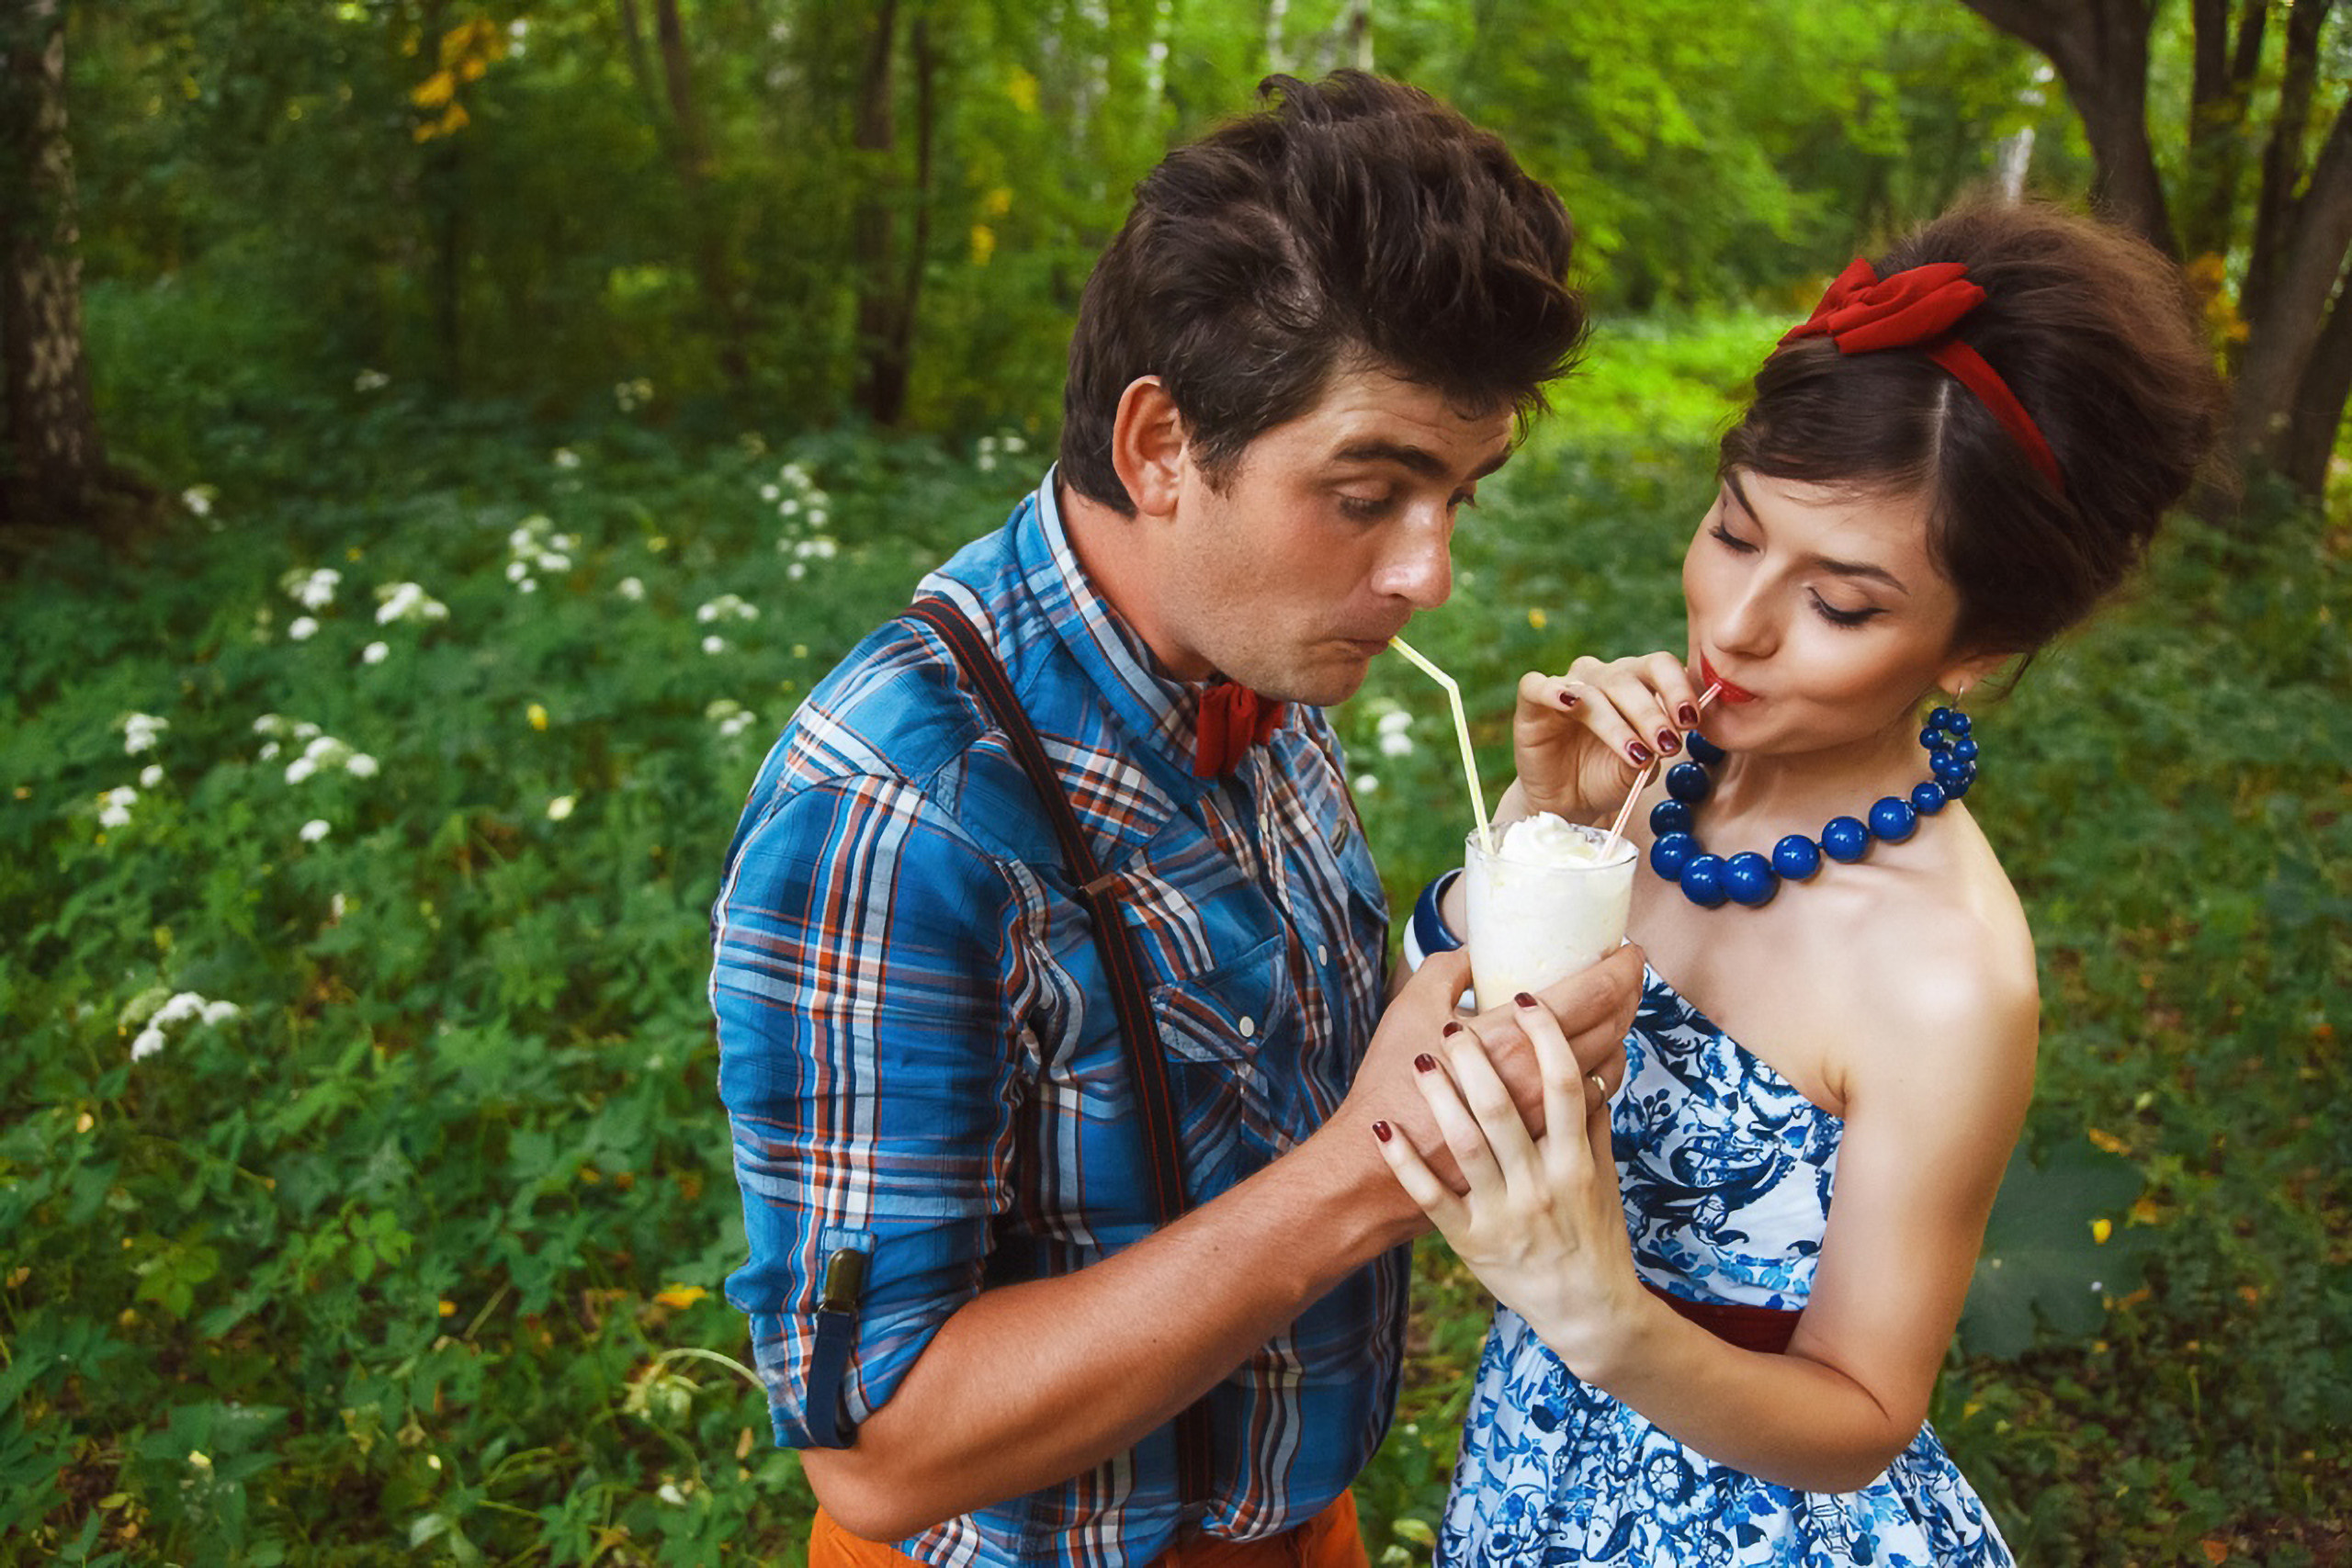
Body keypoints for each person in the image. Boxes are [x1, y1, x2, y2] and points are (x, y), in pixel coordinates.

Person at [709, 72, 1644, 1568]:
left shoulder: (1247, 642)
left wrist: (1526, 860)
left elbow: (1267, 1048)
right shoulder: (900, 817)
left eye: (1459, 497)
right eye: (1371, 491)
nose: (1430, 576)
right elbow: (879, 1454)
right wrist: (1369, 1170)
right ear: (1159, 448)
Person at [1376, 198, 2224, 1565]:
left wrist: (1603, 1316)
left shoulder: (1945, 974)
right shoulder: (1649, 764)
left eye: (1841, 604)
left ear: (1978, 652)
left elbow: (1866, 1413)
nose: (1738, 624)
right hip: (1532, 1464)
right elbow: (1428, 1041)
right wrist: (1539, 824)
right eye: (1733, 527)